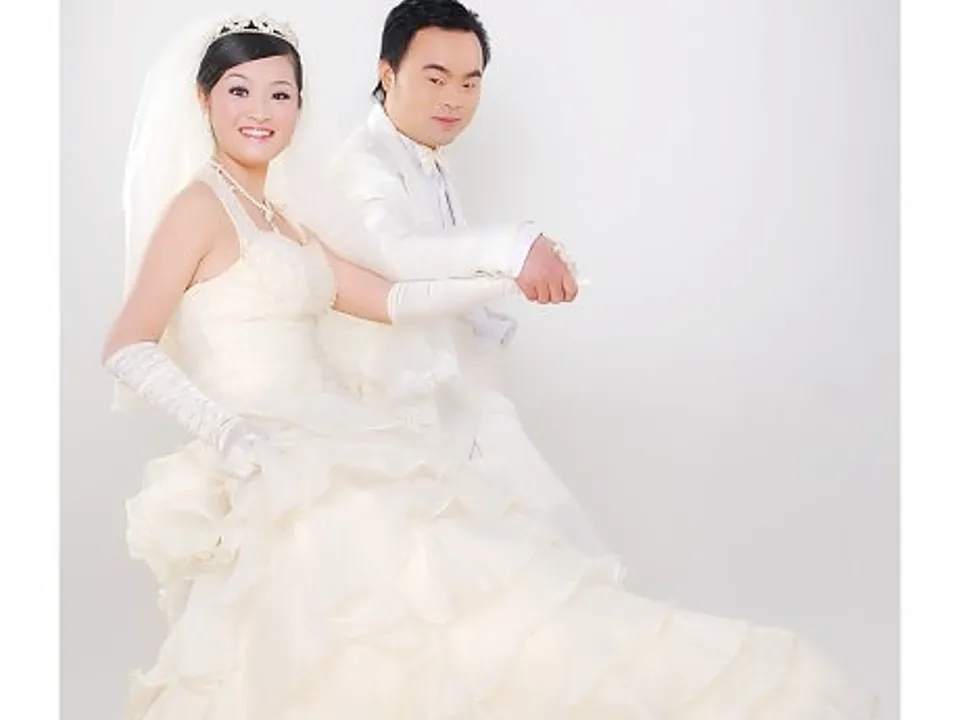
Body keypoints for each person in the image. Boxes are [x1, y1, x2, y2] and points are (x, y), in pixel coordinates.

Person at [104, 13, 879, 720]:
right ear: (204, 100)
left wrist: (504, 279)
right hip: (265, 457)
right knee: (334, 627)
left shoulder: (283, 217)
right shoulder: (198, 208)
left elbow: (391, 299)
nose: (261, 111)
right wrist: (228, 433)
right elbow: (128, 345)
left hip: (332, 438)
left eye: (281, 93)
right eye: (240, 91)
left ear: (300, 106)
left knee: (449, 595)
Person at [311, 0, 610, 563]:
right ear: (387, 73)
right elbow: (397, 254)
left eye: (470, 83)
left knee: (549, 545)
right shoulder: (363, 162)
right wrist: (515, 247)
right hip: (399, 410)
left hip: (455, 392)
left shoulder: (425, 154)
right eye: (436, 78)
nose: (454, 98)